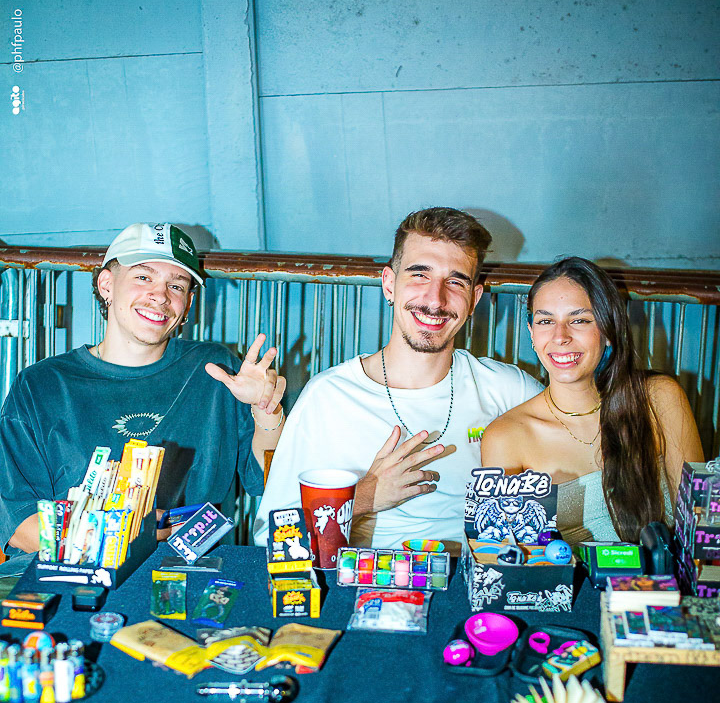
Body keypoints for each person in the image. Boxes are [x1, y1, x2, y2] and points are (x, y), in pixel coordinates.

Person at [254, 207, 542, 550]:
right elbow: (271, 536)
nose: (435, 299)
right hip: (367, 577)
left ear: (473, 299)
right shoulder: (329, 396)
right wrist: (363, 496)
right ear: (389, 284)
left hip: (479, 577)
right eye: (420, 275)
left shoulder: (509, 390)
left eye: (455, 282)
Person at [0, 222, 286, 567]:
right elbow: (21, 528)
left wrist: (267, 411)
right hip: (67, 572)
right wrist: (140, 530)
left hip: (188, 571)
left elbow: (267, 481)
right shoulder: (41, 385)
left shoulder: (216, 370)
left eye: (176, 285)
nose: (161, 296)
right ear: (107, 284)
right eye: (143, 277)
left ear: (187, 304)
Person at [480, 257, 704, 544]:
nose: (560, 336)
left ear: (608, 331)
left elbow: (698, 528)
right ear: (531, 333)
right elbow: (504, 553)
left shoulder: (659, 398)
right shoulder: (505, 436)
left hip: (664, 572)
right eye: (546, 321)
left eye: (579, 320)